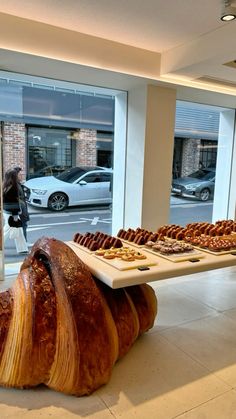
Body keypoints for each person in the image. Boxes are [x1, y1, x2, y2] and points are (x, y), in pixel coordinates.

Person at [3, 169, 28, 254]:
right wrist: (15, 216)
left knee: (19, 230)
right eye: (17, 175)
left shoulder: (6, 185)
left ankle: (23, 249)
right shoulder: (13, 187)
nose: (19, 176)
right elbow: (13, 203)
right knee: (6, 231)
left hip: (6, 212)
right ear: (13, 177)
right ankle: (22, 249)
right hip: (11, 213)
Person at [13, 167, 31, 244]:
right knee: (23, 225)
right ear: (16, 176)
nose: (22, 176)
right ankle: (23, 243)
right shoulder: (15, 185)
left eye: (22, 174)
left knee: (22, 226)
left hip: (21, 208)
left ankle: (23, 242)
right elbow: (16, 198)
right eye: (20, 175)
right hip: (20, 209)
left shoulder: (18, 184)